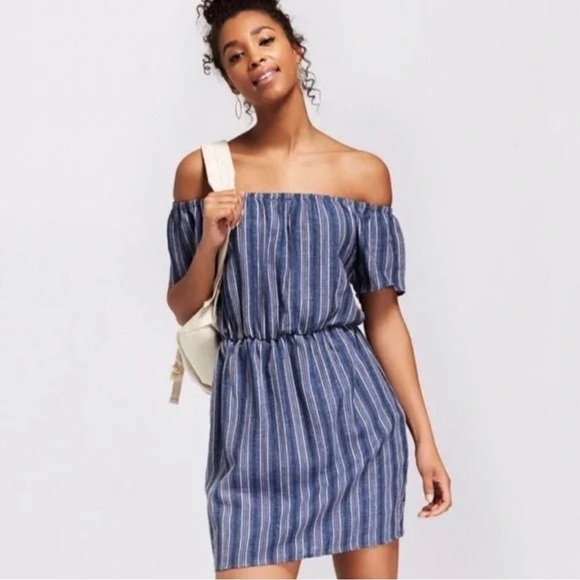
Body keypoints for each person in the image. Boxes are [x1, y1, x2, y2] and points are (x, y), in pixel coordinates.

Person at [166, 0, 452, 577]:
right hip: (252, 431)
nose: (254, 58)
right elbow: (183, 305)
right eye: (234, 55)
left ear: (296, 50)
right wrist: (210, 242)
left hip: (356, 423)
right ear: (229, 79)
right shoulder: (204, 172)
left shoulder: (362, 174)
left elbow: (384, 317)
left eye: (265, 40)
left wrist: (424, 438)